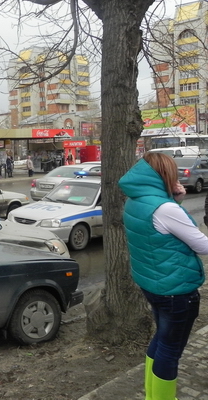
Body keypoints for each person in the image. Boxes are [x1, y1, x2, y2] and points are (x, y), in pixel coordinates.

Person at [119, 151, 208, 400]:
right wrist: (174, 204)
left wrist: (176, 200)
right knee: (170, 349)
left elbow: (157, 232)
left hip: (154, 284)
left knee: (162, 340)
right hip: (176, 290)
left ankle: (152, 395)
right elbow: (202, 245)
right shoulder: (166, 209)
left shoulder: (135, 200)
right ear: (164, 175)